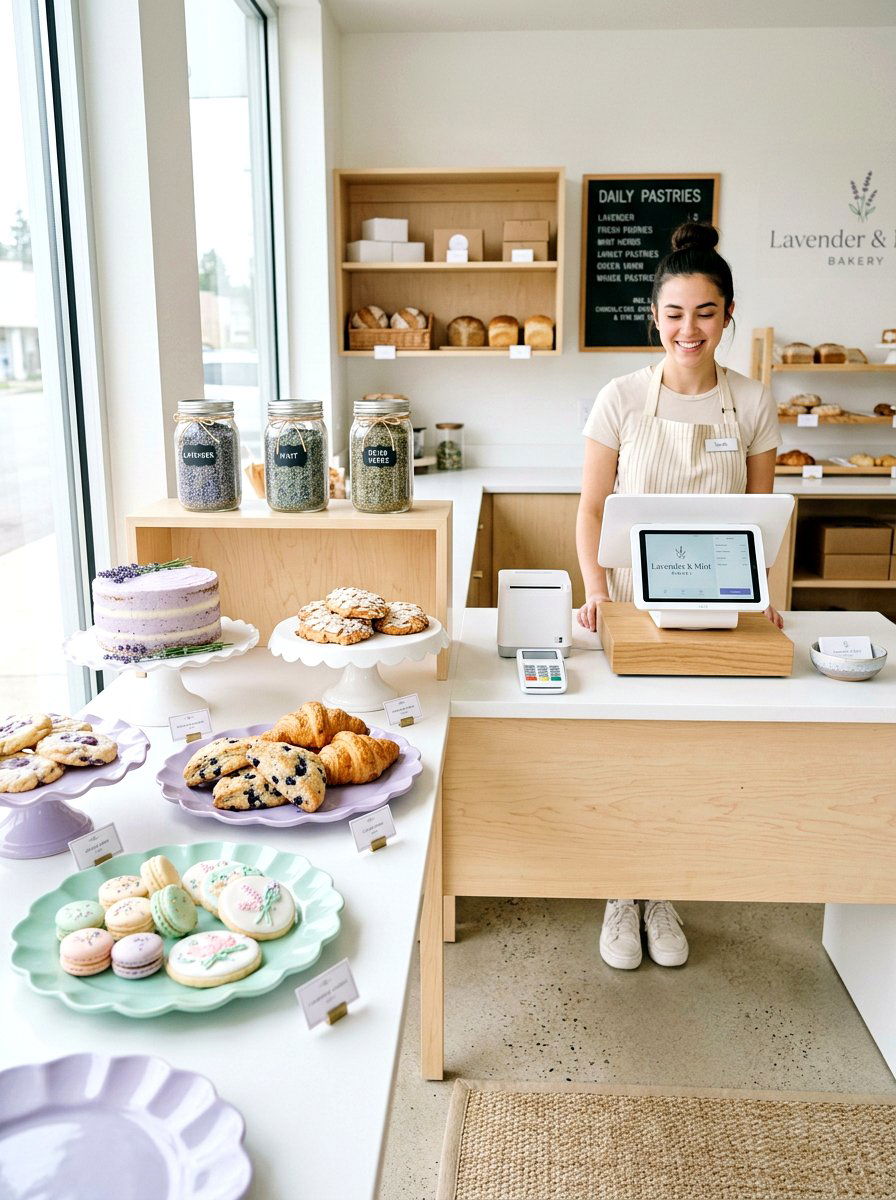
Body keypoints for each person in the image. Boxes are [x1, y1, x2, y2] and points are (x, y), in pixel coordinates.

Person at [575, 221, 780, 970]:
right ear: (653, 317)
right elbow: (592, 508)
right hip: (632, 598)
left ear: (727, 314)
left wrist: (764, 599)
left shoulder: (754, 401)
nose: (688, 328)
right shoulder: (622, 398)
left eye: (704, 311)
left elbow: (764, 516)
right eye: (673, 313)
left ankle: (661, 889)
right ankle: (617, 890)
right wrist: (596, 592)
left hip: (720, 602)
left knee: (689, 752)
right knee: (626, 749)